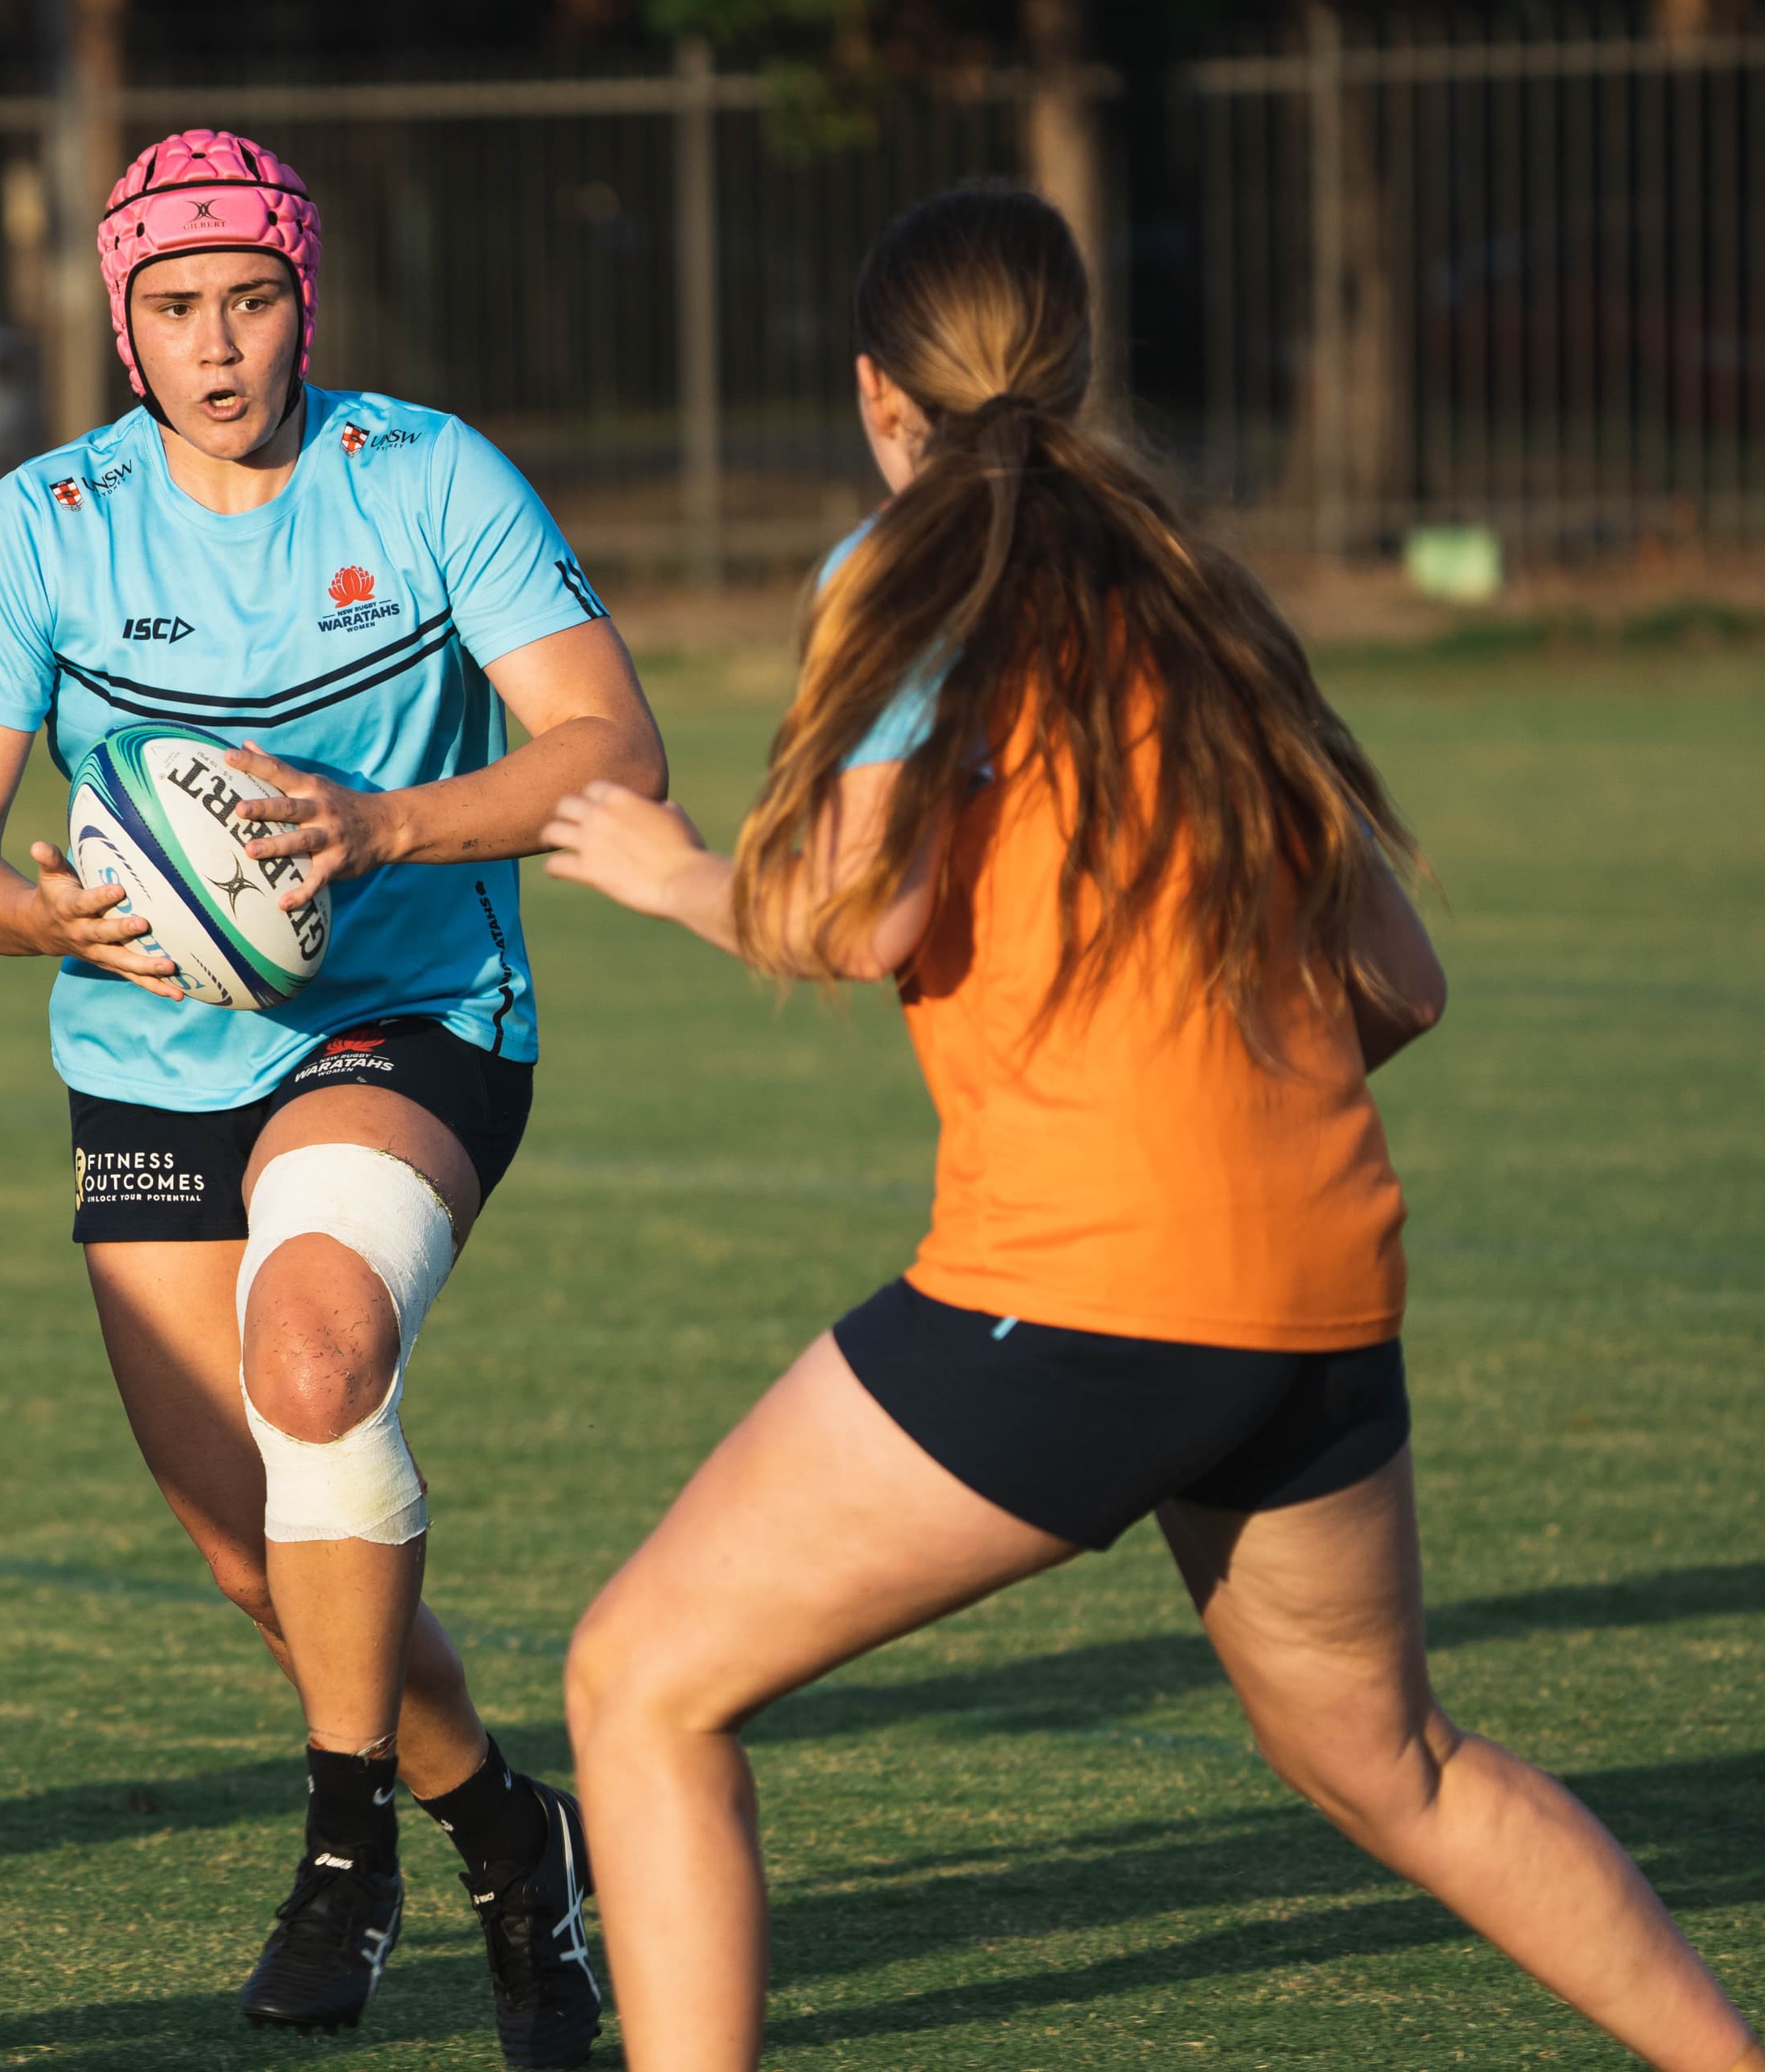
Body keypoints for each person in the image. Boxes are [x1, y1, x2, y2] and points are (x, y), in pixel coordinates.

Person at [541, 186, 1761, 2072]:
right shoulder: (1200, 587)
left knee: (638, 1682)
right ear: (1079, 367)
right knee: (1399, 1765)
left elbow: (856, 919)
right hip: (1319, 1287)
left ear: (881, 399)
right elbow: (1403, 984)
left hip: (1085, 1294)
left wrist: (668, 870)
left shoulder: (899, 570)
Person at [0, 130, 664, 2064]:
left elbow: (612, 746)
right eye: (174, 307)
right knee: (260, 1545)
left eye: (251, 299)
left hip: (409, 1022)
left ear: (304, 297)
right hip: (148, 1057)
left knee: (314, 1362)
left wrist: (388, 823)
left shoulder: (423, 476)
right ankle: (509, 1832)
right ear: (122, 323)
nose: (219, 344)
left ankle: (344, 1854)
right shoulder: (45, 523)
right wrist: (49, 920)